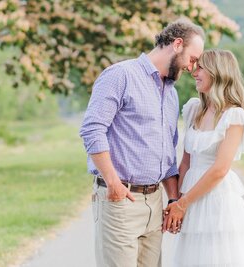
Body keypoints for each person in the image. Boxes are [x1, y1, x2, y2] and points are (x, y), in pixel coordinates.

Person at [79, 18, 205, 267]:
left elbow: (168, 153)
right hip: (120, 200)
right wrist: (114, 183)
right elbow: (92, 129)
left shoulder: (170, 92)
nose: (192, 68)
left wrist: (172, 199)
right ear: (177, 44)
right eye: (192, 59)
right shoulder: (121, 75)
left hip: (154, 201)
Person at [164, 49, 244, 266]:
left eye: (201, 68)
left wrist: (183, 204)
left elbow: (219, 170)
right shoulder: (194, 110)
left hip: (216, 201)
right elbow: (186, 162)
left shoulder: (234, 116)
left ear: (218, 72)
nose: (195, 72)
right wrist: (176, 201)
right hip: (189, 197)